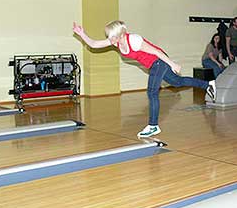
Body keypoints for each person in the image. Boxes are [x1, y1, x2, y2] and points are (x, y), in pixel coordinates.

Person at [73, 21, 217, 137]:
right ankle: (208, 84)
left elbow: (156, 51)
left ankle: (153, 126)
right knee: (177, 82)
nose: (110, 39)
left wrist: (173, 64)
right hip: (154, 64)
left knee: (152, 92)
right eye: (109, 36)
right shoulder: (116, 41)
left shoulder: (134, 40)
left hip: (159, 61)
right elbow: (94, 44)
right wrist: (82, 34)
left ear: (121, 34)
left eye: (112, 36)